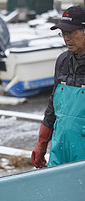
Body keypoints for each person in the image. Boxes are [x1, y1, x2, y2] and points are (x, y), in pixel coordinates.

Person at [32, 6, 85, 168]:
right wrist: (42, 142)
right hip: (60, 146)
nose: (66, 39)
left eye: (72, 33)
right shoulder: (62, 61)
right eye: (63, 33)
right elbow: (52, 106)